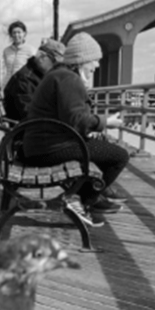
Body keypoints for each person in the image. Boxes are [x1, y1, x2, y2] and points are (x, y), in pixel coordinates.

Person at [22, 32, 129, 227]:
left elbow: (71, 118)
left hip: (41, 144)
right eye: (94, 61)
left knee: (102, 149)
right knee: (119, 156)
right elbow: (76, 120)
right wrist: (105, 122)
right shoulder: (68, 79)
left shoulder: (60, 75)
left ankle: (88, 198)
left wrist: (96, 124)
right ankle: (83, 200)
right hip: (49, 148)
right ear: (82, 60)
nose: (96, 66)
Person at [2, 38, 65, 121]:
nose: (56, 68)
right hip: (28, 129)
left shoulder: (35, 75)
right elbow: (30, 113)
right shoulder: (25, 79)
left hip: (33, 127)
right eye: (55, 63)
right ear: (42, 57)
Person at [2, 21, 35, 88]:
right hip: (8, 86)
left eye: (19, 32)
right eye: (14, 33)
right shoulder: (6, 51)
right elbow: (6, 70)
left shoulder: (31, 50)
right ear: (11, 35)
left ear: (24, 33)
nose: (16, 35)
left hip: (23, 86)